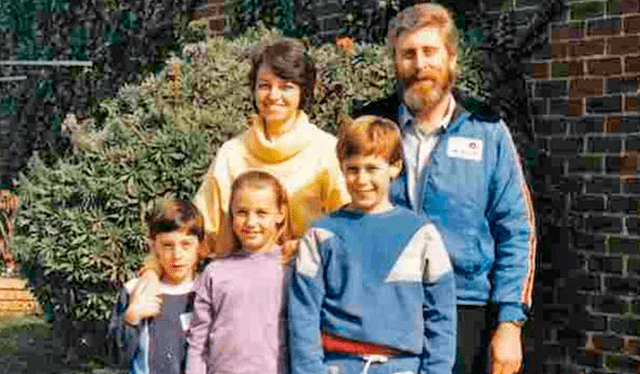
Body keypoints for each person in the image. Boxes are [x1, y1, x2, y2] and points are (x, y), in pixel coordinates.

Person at [354, 4, 536, 374]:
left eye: (430, 52)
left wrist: (509, 324)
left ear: (451, 59)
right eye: (408, 54)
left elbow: (516, 229)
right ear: (395, 62)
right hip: (384, 305)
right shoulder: (369, 126)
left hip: (464, 309)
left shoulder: (486, 131)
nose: (420, 64)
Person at [137, 37, 350, 286]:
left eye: (286, 86)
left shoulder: (326, 151)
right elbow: (192, 233)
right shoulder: (232, 154)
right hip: (241, 292)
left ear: (303, 91)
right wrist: (151, 272)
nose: (273, 95)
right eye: (264, 85)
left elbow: (350, 231)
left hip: (309, 291)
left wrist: (303, 246)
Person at [288, 115, 456, 374]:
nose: (361, 179)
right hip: (338, 366)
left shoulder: (422, 235)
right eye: (352, 169)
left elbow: (441, 316)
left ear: (395, 167)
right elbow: (303, 316)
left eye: (372, 168)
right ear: (341, 169)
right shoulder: (321, 235)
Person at [187, 170, 292, 374]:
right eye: (242, 212)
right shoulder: (215, 272)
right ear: (232, 215)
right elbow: (198, 342)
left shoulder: (291, 268)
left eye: (261, 213)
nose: (251, 222)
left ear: (280, 214)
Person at [107, 200, 205, 374]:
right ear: (153, 245)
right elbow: (116, 357)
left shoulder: (208, 291)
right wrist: (132, 317)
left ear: (200, 245)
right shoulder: (135, 290)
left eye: (186, 244)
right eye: (167, 245)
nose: (177, 255)